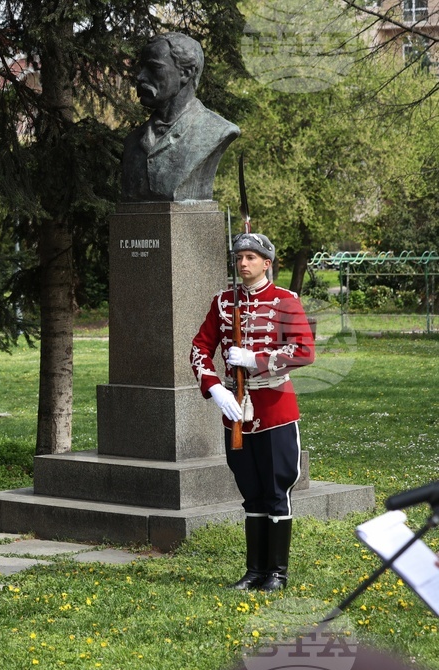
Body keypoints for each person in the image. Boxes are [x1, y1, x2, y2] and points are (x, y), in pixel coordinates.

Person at [190, 233, 315, 592]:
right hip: (236, 410)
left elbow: (304, 351)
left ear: (266, 263)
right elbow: (199, 348)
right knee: (251, 491)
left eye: (251, 257)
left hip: (275, 408)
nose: (243, 263)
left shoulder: (286, 300)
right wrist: (214, 387)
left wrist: (255, 359)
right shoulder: (223, 302)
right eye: (239, 257)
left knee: (276, 490)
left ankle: (277, 573)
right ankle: (254, 571)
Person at [121, 32, 240, 202]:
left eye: (153, 68)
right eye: (141, 68)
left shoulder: (217, 131)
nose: (140, 77)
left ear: (186, 73)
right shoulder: (132, 142)